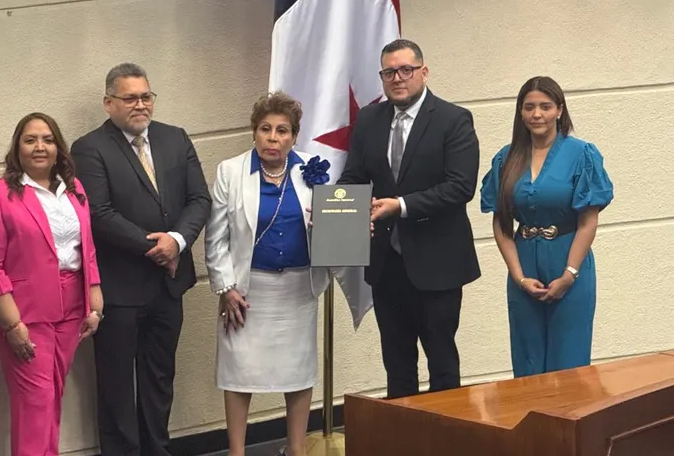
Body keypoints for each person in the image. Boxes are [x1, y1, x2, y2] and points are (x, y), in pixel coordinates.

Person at [71, 63, 211, 456]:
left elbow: (199, 199)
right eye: (129, 98)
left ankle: (156, 449)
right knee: (116, 382)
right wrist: (157, 249)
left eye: (146, 96)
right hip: (121, 288)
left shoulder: (175, 138)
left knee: (160, 376)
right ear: (108, 103)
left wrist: (178, 241)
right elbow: (98, 214)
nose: (140, 105)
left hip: (169, 285)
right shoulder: (90, 147)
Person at [337, 39, 481, 399]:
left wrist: (399, 205)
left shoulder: (453, 119)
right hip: (388, 264)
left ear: (423, 72)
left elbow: (460, 187)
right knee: (397, 367)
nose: (397, 78)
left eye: (406, 70)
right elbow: (353, 178)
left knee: (442, 365)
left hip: (438, 265)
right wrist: (334, 210)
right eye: (389, 72)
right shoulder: (369, 120)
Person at [204, 92, 331, 456]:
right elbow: (216, 238)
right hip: (246, 290)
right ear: (254, 132)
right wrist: (226, 287)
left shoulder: (314, 168)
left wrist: (344, 231)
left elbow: (332, 226)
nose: (273, 138)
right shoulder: (231, 171)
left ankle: (296, 449)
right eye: (265, 129)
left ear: (294, 136)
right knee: (239, 373)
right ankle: (237, 451)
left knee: (298, 372)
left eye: (282, 130)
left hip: (297, 289)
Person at [0, 112, 104, 455]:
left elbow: (87, 248)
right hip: (23, 312)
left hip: (70, 308)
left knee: (53, 396)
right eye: (30, 139)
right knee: (35, 402)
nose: (40, 147)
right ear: (17, 148)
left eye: (48, 140)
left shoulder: (75, 189)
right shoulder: (0, 195)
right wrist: (11, 325)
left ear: (58, 147)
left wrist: (94, 300)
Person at [480, 76, 613, 377]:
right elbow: (501, 224)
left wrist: (570, 274)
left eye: (545, 106)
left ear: (559, 111)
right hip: (523, 266)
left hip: (569, 261)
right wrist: (518, 276)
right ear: (520, 112)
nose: (536, 114)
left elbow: (588, 221)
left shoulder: (582, 154)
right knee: (527, 359)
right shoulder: (506, 158)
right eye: (528, 107)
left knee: (569, 361)